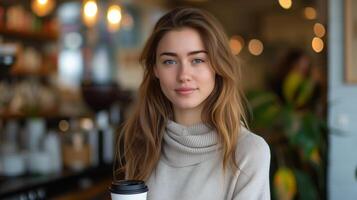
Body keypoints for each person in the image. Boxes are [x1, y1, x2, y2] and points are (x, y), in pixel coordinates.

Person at [115, 7, 271, 200]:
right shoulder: (142, 144)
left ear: (217, 66)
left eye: (197, 60)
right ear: (155, 69)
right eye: (169, 61)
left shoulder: (248, 152)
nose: (183, 76)